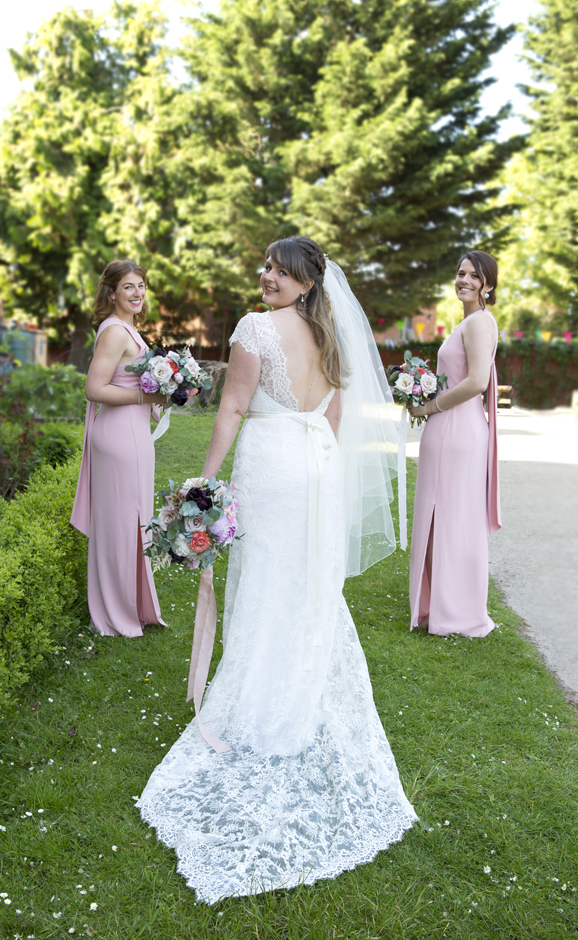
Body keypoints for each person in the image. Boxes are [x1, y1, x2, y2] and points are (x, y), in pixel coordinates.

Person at [136, 236, 417, 903]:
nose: (266, 277)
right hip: (316, 464)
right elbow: (339, 414)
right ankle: (294, 703)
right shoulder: (331, 335)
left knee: (263, 586)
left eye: (279, 271)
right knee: (306, 588)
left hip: (271, 462)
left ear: (305, 282)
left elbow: (233, 407)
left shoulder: (254, 329)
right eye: (264, 267)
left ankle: (261, 709)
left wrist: (201, 484)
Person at [71, 260, 168, 637]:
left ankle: (133, 604)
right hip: (118, 438)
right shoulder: (114, 332)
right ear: (111, 293)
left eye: (141, 285)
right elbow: (94, 389)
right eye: (128, 286)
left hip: (133, 434)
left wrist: (163, 395)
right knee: (120, 524)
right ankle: (115, 612)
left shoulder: (129, 329)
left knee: (135, 520)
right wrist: (145, 398)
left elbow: (134, 382)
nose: (138, 293)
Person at [408, 250, 501, 637]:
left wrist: (430, 405)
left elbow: (477, 381)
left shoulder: (479, 322)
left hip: (457, 434)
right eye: (460, 273)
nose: (463, 280)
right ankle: (440, 604)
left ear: (488, 286)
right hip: (453, 431)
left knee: (452, 521)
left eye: (473, 276)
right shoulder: (470, 322)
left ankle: (455, 611)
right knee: (445, 519)